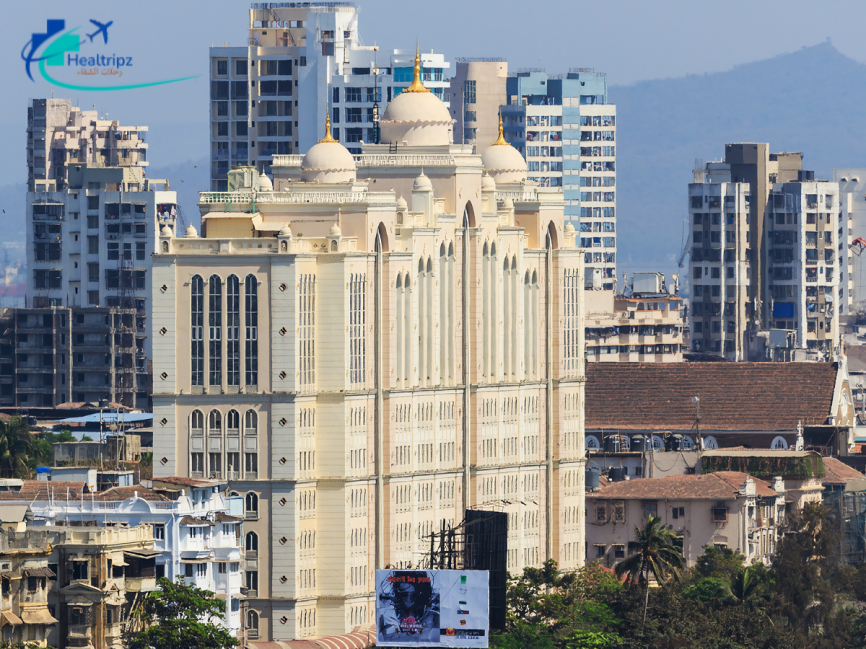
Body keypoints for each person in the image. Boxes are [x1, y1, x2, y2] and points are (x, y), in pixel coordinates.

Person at [378, 571, 440, 644]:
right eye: (404, 594)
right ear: (397, 593)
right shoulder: (384, 615)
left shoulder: (433, 617)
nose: (409, 599)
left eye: (414, 595)